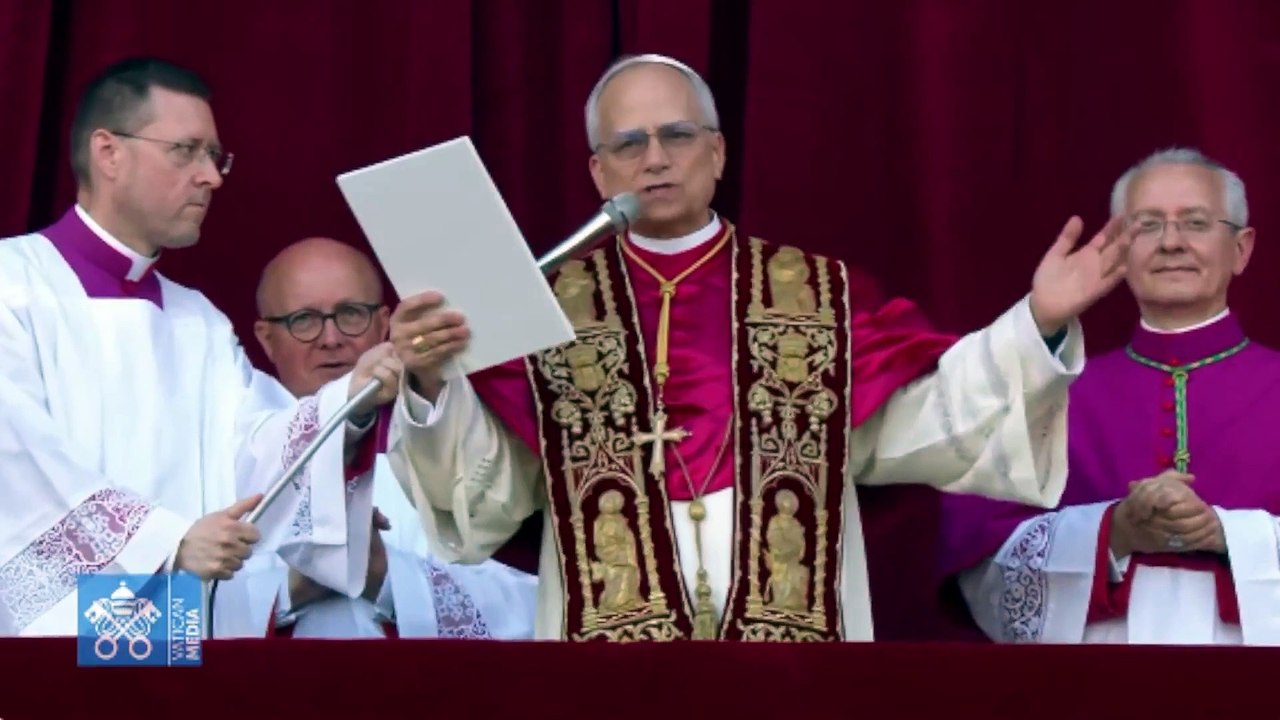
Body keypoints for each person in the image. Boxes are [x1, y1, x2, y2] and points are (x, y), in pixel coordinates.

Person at [384, 53, 1127, 641]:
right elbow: (487, 491)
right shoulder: (547, 308)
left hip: (791, 658)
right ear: (597, 171)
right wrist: (428, 382)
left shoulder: (817, 295)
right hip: (605, 656)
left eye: (677, 136)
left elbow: (935, 420)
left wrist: (1038, 322)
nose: (655, 160)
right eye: (629, 144)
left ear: (717, 153)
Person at [0, 57, 400, 637]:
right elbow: (18, 457)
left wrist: (350, 399)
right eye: (185, 151)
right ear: (108, 152)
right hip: (48, 634)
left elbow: (255, 444)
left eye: (215, 156)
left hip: (176, 627)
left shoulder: (198, 320)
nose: (211, 176)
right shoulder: (14, 284)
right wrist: (168, 540)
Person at [938, 147, 1280, 645]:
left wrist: (1228, 535)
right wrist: (1112, 531)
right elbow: (983, 561)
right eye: (1146, 225)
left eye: (1196, 222)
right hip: (1092, 677)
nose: (1171, 243)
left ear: (1242, 249)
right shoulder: (1049, 398)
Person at [219, 237, 537, 638]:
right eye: (304, 320)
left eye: (351, 314)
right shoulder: (227, 444)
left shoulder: (444, 439)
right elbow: (143, 628)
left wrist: (383, 574)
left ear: (384, 322)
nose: (331, 338)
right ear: (266, 338)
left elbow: (537, 610)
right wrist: (291, 589)